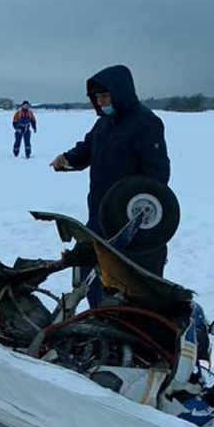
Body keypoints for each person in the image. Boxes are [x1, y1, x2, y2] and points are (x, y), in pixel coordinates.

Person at [50, 64, 171, 299]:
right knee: (90, 276)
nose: (102, 102)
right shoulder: (104, 123)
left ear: (120, 92)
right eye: (98, 98)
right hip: (98, 217)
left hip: (128, 226)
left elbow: (158, 176)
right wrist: (68, 158)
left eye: (105, 96)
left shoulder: (145, 123)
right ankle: (97, 321)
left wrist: (139, 212)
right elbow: (88, 147)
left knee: (127, 287)